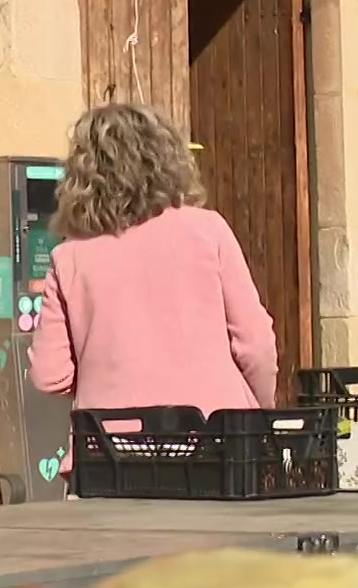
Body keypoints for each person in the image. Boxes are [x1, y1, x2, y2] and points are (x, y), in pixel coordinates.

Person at [29, 103, 278, 427]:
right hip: (215, 436)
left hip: (109, 445)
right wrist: (261, 411)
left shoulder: (69, 257)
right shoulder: (208, 230)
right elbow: (256, 346)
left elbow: (49, 375)